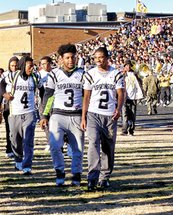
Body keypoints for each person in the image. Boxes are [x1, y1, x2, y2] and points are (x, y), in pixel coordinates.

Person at [40, 44, 84, 187]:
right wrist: (44, 115)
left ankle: (76, 175)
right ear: (61, 59)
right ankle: (59, 171)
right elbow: (48, 96)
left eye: (73, 57)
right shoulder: (54, 74)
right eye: (67, 57)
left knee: (78, 149)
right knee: (54, 145)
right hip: (58, 115)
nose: (71, 60)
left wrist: (86, 115)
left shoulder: (83, 74)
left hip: (76, 115)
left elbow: (87, 96)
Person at [81, 46, 124, 191]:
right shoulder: (90, 74)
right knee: (93, 143)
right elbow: (86, 96)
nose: (98, 60)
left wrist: (118, 108)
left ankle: (104, 176)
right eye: (96, 58)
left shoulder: (116, 74)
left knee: (108, 147)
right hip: (93, 114)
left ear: (107, 58)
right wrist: (84, 116)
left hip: (109, 115)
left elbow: (121, 93)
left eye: (101, 57)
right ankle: (92, 177)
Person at [0, 56, 44, 175]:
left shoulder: (35, 77)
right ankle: (18, 159)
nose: (32, 68)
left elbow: (42, 89)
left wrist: (42, 106)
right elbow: (1, 84)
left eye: (33, 66)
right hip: (15, 113)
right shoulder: (13, 76)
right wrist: (5, 95)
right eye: (30, 66)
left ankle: (27, 166)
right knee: (15, 139)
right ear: (23, 66)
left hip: (30, 112)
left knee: (28, 140)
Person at [0, 57, 19, 158]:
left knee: (19, 130)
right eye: (12, 65)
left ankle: (20, 148)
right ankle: (9, 148)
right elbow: (1, 87)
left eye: (16, 65)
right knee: (9, 129)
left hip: (21, 105)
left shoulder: (22, 75)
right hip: (9, 105)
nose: (14, 67)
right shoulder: (5, 75)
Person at [121, 60, 144, 135]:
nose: (128, 67)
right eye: (126, 66)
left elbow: (140, 83)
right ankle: (124, 130)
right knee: (124, 114)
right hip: (125, 97)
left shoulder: (135, 74)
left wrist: (137, 76)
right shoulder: (122, 75)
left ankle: (131, 130)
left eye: (129, 65)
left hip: (133, 97)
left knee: (132, 114)